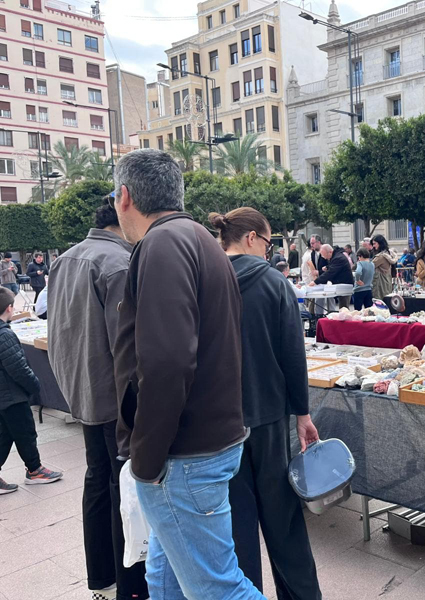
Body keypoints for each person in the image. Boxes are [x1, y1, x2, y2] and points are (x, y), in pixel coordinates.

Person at [110, 149, 261, 599]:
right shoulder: (197, 238)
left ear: (124, 197)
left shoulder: (162, 244)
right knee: (164, 577)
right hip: (202, 444)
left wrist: (147, 457)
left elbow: (168, 361)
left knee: (219, 588)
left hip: (183, 455)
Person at [209, 208, 322, 598]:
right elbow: (293, 355)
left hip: (220, 422)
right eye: (268, 241)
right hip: (269, 416)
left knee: (236, 525)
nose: (268, 250)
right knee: (284, 520)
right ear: (251, 238)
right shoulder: (274, 283)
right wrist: (302, 413)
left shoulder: (204, 280)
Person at [48, 202, 149, 600]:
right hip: (114, 398)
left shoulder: (66, 259)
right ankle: (131, 586)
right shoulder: (118, 263)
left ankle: (101, 576)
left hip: (83, 390)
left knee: (97, 479)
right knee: (123, 487)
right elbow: (126, 348)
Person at [0, 287, 63, 495]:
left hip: (4, 396)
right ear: (9, 308)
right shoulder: (4, 335)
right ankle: (35, 470)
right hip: (12, 395)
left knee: (6, 434)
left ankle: (34, 469)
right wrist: (35, 386)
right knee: (25, 432)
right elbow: (18, 368)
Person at [315, 244, 353, 309]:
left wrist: (316, 281)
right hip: (342, 284)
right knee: (343, 307)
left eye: (325, 255)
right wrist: (328, 267)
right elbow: (335, 266)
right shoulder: (336, 256)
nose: (325, 258)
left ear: (330, 252)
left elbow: (331, 272)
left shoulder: (338, 258)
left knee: (344, 308)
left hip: (344, 285)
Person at [371, 235, 397, 299]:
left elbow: (370, 266)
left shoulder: (381, 257)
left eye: (375, 243)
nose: (373, 246)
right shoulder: (388, 254)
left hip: (379, 285)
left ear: (380, 243)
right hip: (387, 282)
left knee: (378, 302)